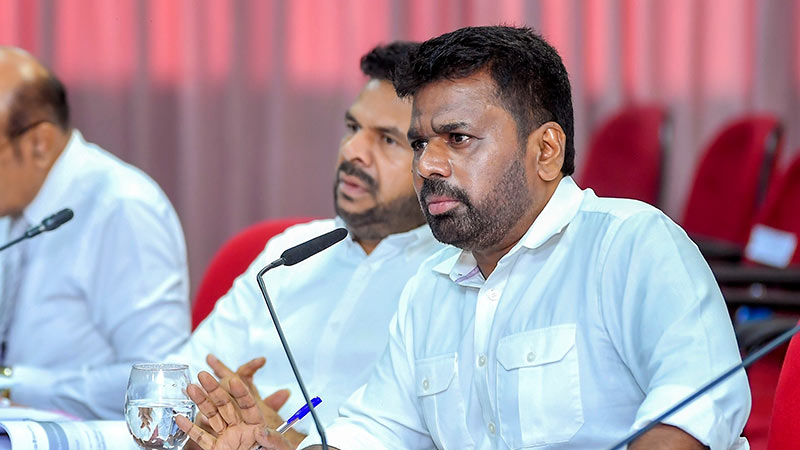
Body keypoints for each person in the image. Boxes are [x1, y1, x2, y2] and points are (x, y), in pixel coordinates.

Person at [179, 26, 751, 450]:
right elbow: (376, 432)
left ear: (545, 151)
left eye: (457, 138)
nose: (427, 164)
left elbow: (697, 412)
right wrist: (275, 446)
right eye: (422, 142)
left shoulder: (632, 247)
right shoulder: (431, 291)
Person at [169, 41, 443, 446]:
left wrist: (289, 442)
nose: (352, 152)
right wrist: (214, 414)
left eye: (386, 140)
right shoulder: (287, 254)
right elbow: (184, 379)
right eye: (352, 129)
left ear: (435, 160)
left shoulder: (455, 275)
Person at [0, 47, 190, 419]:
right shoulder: (14, 198)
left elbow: (158, 381)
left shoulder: (123, 209)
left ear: (38, 144)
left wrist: (12, 383)